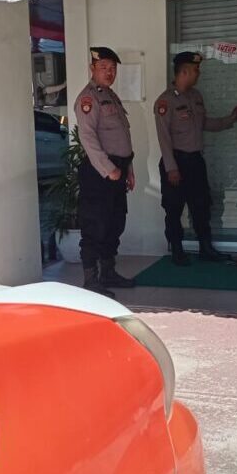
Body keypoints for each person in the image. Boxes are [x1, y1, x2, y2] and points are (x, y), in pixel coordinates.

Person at [154, 52, 237, 266]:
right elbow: (163, 137)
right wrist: (171, 168)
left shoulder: (196, 96)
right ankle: (177, 250)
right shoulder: (165, 101)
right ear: (184, 72)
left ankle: (206, 248)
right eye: (195, 70)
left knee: (201, 206)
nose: (198, 73)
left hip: (195, 161)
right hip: (176, 162)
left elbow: (203, 124)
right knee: (174, 209)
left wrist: (229, 120)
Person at [73, 46, 137, 298]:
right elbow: (88, 137)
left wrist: (128, 168)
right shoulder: (88, 99)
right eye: (104, 68)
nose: (109, 73)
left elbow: (122, 138)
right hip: (99, 173)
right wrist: (109, 169)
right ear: (92, 69)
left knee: (114, 223)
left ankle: (108, 273)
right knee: (95, 225)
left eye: (112, 68)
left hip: (117, 170)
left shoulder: (111, 96)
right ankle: (91, 280)